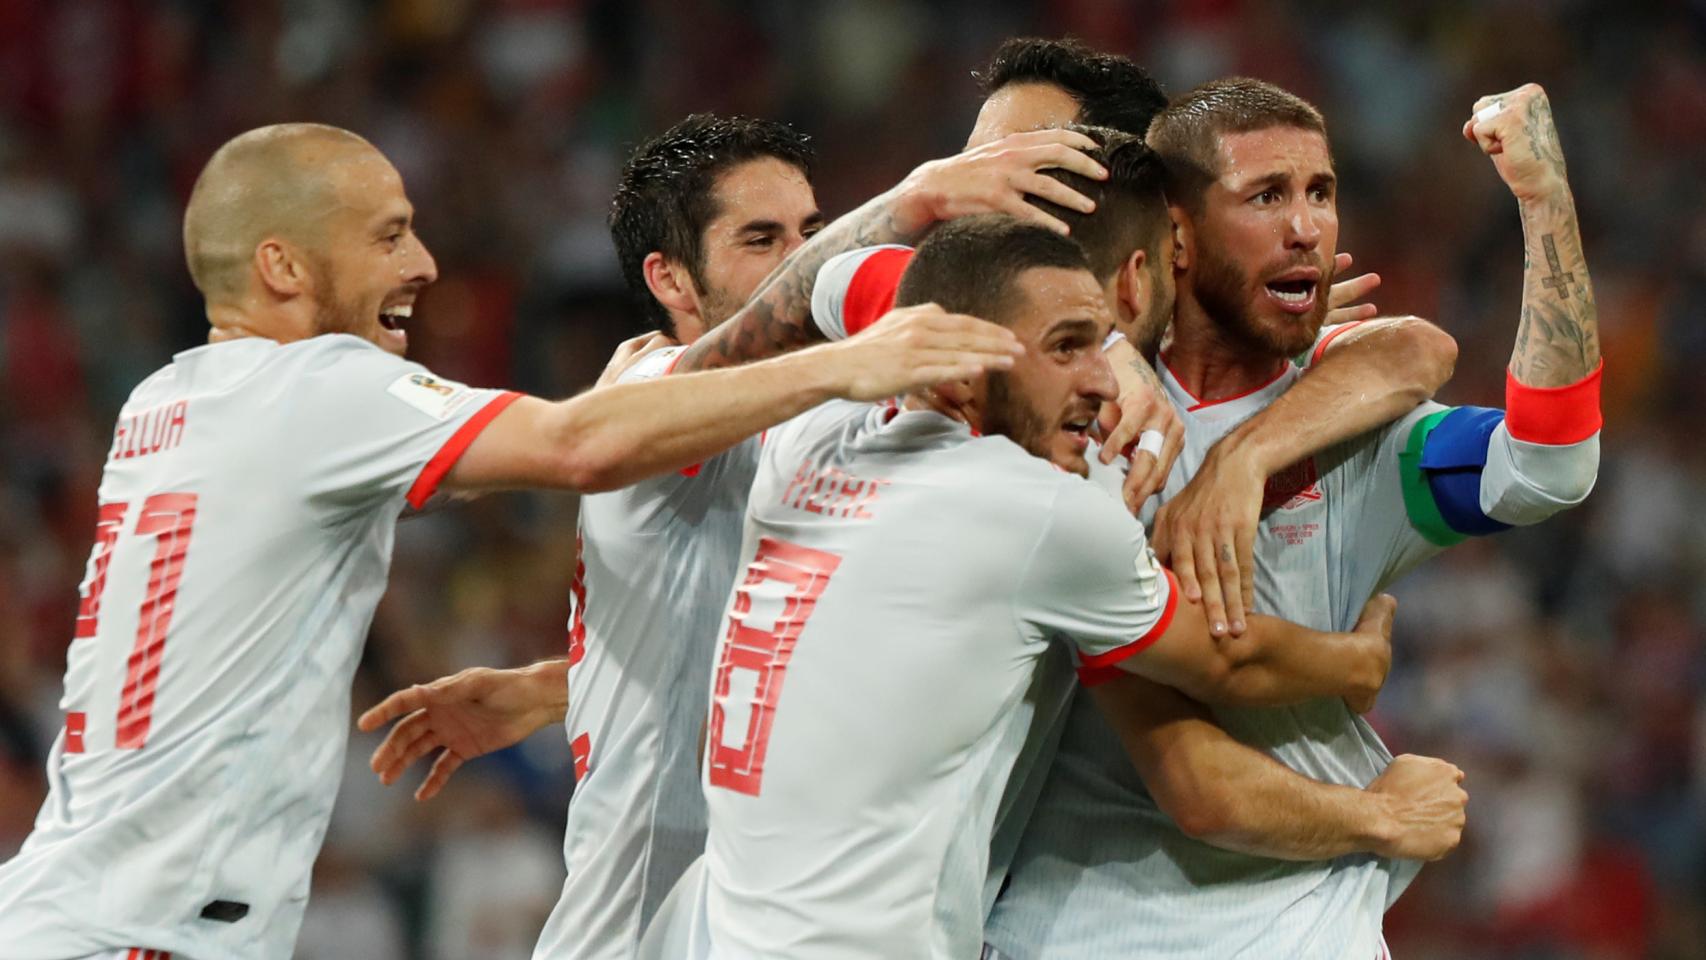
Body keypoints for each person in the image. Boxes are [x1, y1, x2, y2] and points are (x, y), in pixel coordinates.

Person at [0, 122, 1026, 960]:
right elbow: (581, 442)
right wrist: (850, 354)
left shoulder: (167, 399)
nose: (424, 262)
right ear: (282, 264)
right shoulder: (317, 388)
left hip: (82, 903)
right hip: (143, 933)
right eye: (387, 234)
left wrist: (559, 685)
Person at [355, 118, 1110, 960]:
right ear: (670, 279)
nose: (800, 260)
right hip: (641, 935)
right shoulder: (648, 387)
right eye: (761, 239)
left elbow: (770, 636)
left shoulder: (820, 420)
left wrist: (568, 683)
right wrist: (915, 201)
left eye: (811, 233)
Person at [640, 214, 1408, 960]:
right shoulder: (1036, 508)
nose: (1105, 379)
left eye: (1104, 343)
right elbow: (1228, 662)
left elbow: (830, 279)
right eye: (1068, 347)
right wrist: (1359, 664)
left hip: (703, 930)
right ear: (963, 362)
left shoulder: (808, 433)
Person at [982, 79, 1602, 959]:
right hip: (1078, 926)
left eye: (1321, 192)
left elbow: (1552, 464)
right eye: (1265, 196)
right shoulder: (1081, 415)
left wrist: (1543, 204)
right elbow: (1198, 774)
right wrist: (1366, 734)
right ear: (1177, 235)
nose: (1305, 225)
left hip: (1307, 931)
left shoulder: (1363, 434)